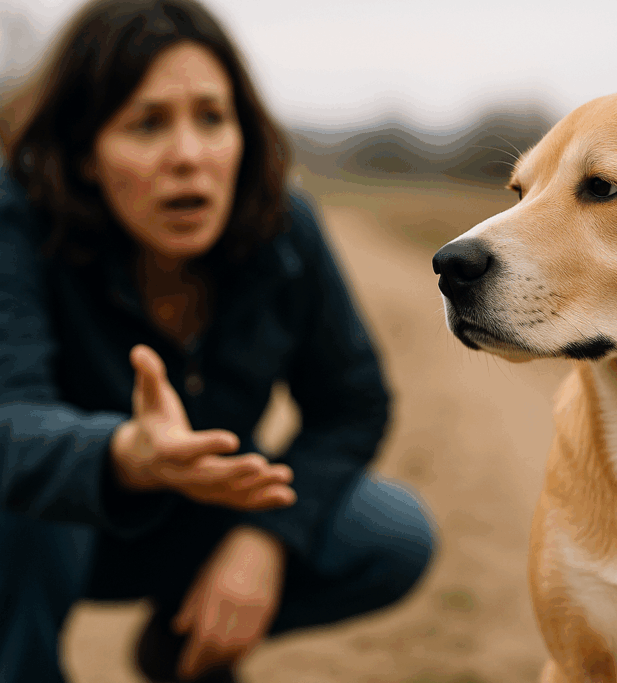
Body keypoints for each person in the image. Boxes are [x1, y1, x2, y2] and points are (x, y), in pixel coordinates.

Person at [0, 1, 436, 681]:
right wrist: (122, 452)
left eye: (212, 117)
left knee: (392, 533)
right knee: (23, 484)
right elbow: (10, 417)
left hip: (196, 518)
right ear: (85, 154)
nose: (189, 155)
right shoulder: (17, 219)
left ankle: (181, 647)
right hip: (52, 528)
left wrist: (265, 539)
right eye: (147, 123)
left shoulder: (283, 225)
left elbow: (352, 404)